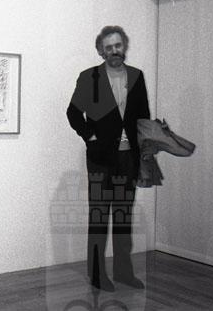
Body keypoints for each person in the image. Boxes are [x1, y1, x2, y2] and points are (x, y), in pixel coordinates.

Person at [66, 25, 150, 292]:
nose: (114, 51)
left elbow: (143, 117)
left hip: (129, 159)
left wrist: (144, 153)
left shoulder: (136, 76)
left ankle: (123, 272)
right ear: (101, 51)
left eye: (118, 45)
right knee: (100, 216)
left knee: (124, 217)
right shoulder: (89, 77)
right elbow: (72, 112)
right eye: (109, 47)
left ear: (124, 46)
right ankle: (96, 274)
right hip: (100, 159)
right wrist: (89, 136)